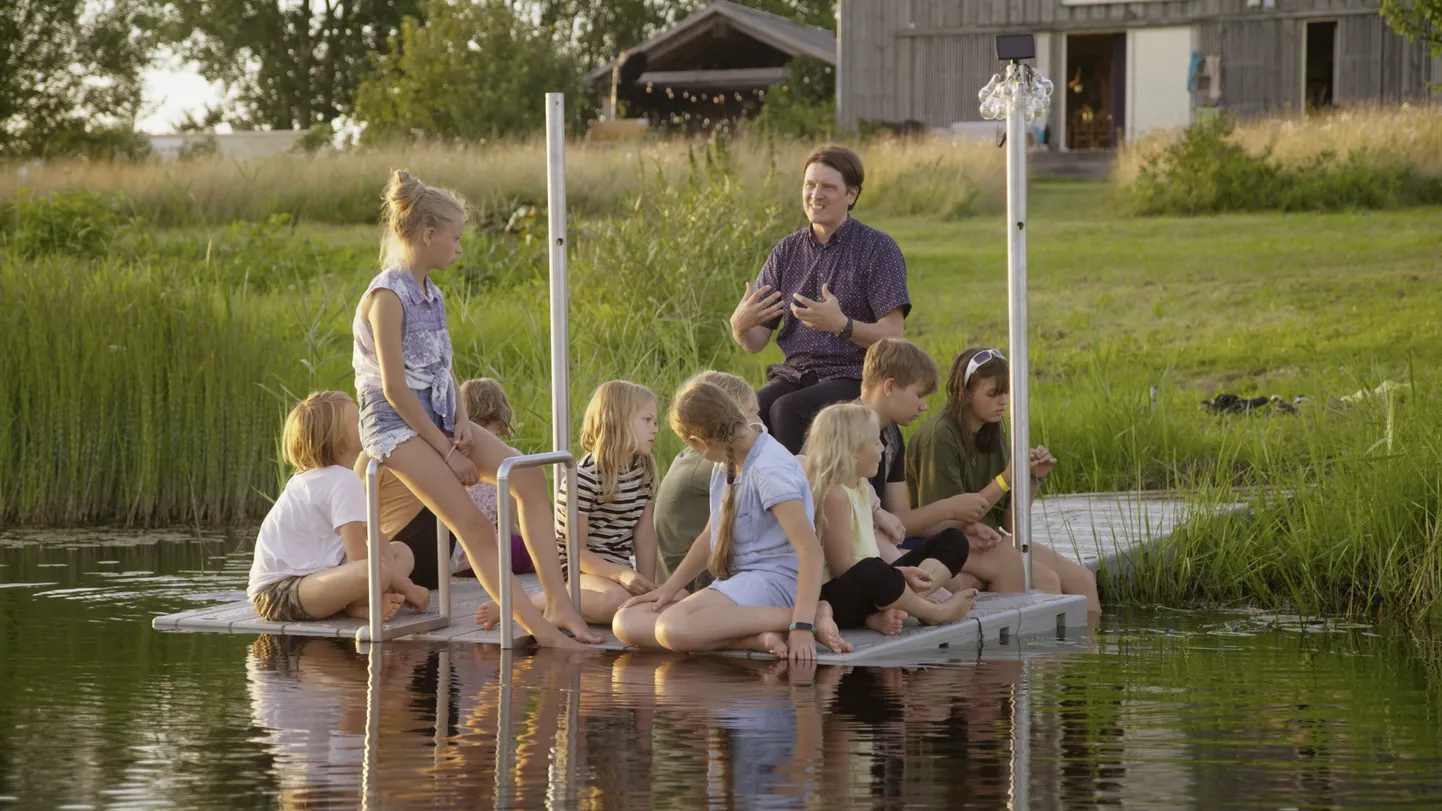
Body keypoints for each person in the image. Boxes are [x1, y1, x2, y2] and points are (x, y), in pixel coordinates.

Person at [349, 169, 599, 647]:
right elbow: (397, 391)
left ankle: (560, 603)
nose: (460, 247)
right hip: (394, 427)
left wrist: (461, 423)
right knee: (475, 525)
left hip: (439, 417)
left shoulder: (433, 294)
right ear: (428, 235)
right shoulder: (387, 297)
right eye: (456, 238)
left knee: (527, 476)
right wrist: (447, 451)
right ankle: (540, 630)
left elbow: (444, 370)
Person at [611, 381, 850, 661]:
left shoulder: (769, 470)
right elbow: (711, 536)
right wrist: (668, 589)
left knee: (671, 629)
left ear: (697, 442)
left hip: (775, 585)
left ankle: (806, 614)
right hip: (742, 584)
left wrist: (802, 625)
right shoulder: (728, 459)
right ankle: (754, 638)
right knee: (627, 622)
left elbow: (810, 550)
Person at [729, 144, 911, 454]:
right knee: (746, 415)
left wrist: (842, 325)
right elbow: (755, 341)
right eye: (810, 184)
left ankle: (801, 498)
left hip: (853, 374)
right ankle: (756, 498)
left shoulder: (877, 249)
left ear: (851, 195)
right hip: (796, 373)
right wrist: (739, 324)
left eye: (828, 186)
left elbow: (893, 335)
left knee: (787, 410)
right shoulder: (786, 251)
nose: (816, 194)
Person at [907, 348, 1100, 612]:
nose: (1003, 401)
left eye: (1006, 393)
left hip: (991, 538)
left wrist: (1032, 478)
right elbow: (942, 524)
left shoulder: (992, 433)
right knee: (1047, 582)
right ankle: (1036, 653)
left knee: (1083, 580)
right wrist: (1006, 479)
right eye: (993, 394)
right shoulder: (940, 437)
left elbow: (1010, 524)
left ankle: (1086, 651)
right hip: (949, 541)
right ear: (964, 394)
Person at [852, 338, 1030, 597]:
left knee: (975, 558)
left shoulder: (891, 435)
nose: (924, 406)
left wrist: (965, 524)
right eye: (919, 395)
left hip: (888, 544)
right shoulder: (848, 431)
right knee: (1000, 564)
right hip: (861, 554)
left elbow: (901, 521)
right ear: (890, 387)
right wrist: (951, 508)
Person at [476, 380, 661, 626]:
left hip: (619, 568)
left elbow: (645, 535)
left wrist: (647, 592)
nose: (656, 429)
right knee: (614, 603)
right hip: (578, 570)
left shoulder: (643, 470)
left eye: (655, 421)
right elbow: (577, 553)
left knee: (676, 598)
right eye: (647, 420)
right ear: (619, 421)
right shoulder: (584, 477)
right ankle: (532, 603)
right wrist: (622, 575)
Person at [247, 391, 429, 623]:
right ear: (336, 439)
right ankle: (362, 605)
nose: (366, 422)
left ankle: (361, 601)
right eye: (358, 420)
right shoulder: (342, 480)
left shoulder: (336, 478)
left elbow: (372, 536)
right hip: (280, 592)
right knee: (375, 571)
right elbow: (359, 558)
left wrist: (394, 575)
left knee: (401, 551)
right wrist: (405, 586)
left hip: (318, 578)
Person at [803, 402, 978, 633]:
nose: (883, 448)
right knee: (874, 571)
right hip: (842, 593)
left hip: (878, 582)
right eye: (876, 442)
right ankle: (933, 612)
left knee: (953, 540)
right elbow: (842, 568)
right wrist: (899, 574)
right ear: (852, 452)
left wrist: (897, 574)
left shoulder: (861, 486)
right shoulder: (835, 496)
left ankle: (897, 604)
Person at [653, 370, 764, 590]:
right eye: (752, 413)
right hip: (694, 580)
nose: (760, 421)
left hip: (694, 572)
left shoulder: (702, 454)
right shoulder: (711, 464)